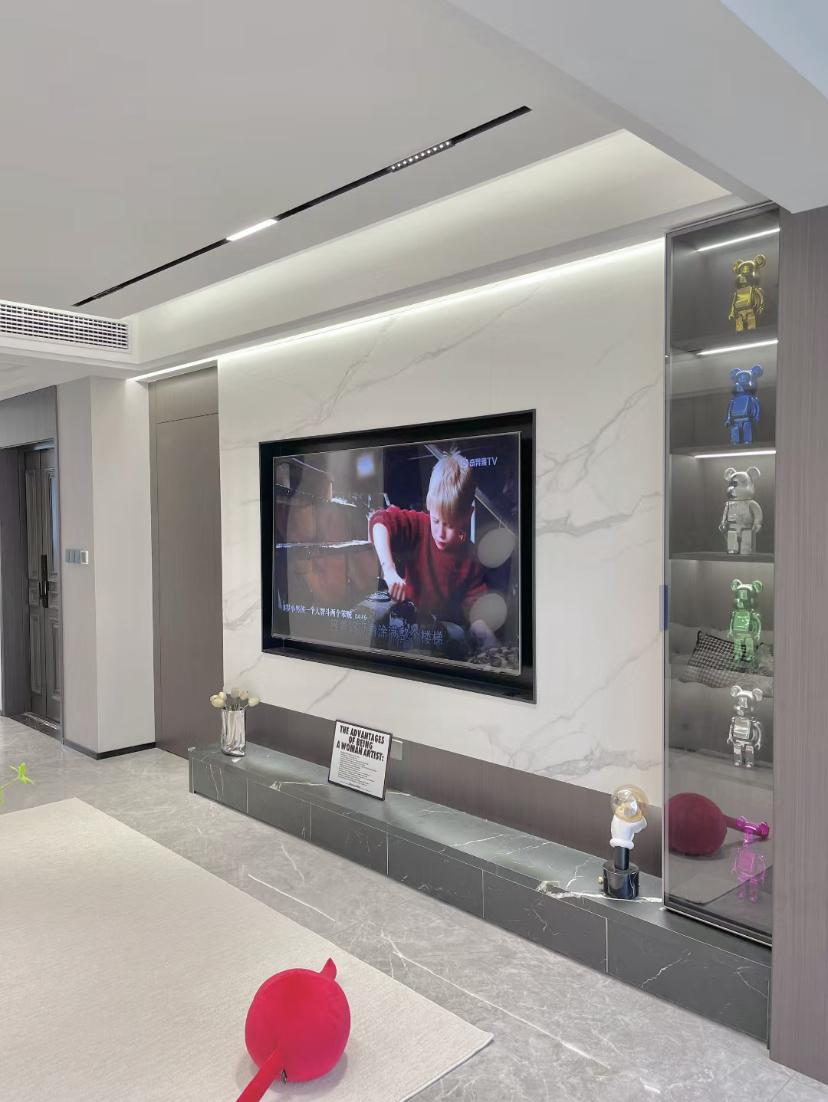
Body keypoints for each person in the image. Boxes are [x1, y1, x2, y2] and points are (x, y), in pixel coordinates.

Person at [368, 450, 498, 650]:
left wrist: (486, 634)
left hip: (441, 637)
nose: (440, 533)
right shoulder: (420, 525)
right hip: (407, 626)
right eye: (436, 521)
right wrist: (389, 570)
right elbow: (380, 521)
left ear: (467, 515)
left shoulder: (472, 559)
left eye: (450, 525)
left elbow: (475, 611)